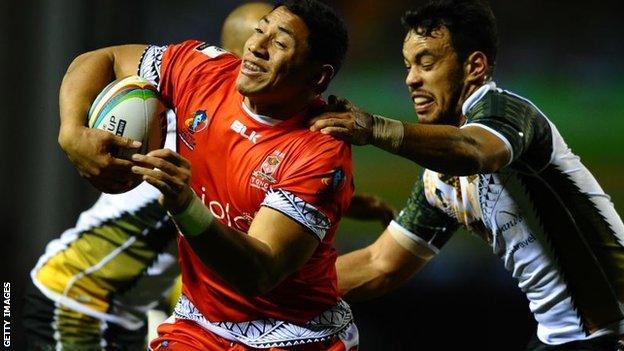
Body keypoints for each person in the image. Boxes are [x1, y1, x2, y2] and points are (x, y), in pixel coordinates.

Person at [310, 0, 624, 350]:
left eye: (426, 63)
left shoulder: (508, 113)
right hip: (556, 337)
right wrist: (274, 286)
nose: (411, 79)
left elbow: (473, 151)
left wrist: (375, 129)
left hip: (610, 334)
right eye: (408, 65)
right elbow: (379, 263)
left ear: (474, 66)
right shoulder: (440, 177)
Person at [57, 1, 363, 350]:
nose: (255, 46)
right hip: (201, 325)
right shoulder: (204, 72)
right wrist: (71, 131)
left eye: (279, 44)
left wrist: (185, 205)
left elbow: (259, 273)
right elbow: (104, 59)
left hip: (293, 335)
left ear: (319, 76)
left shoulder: (321, 151)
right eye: (260, 30)